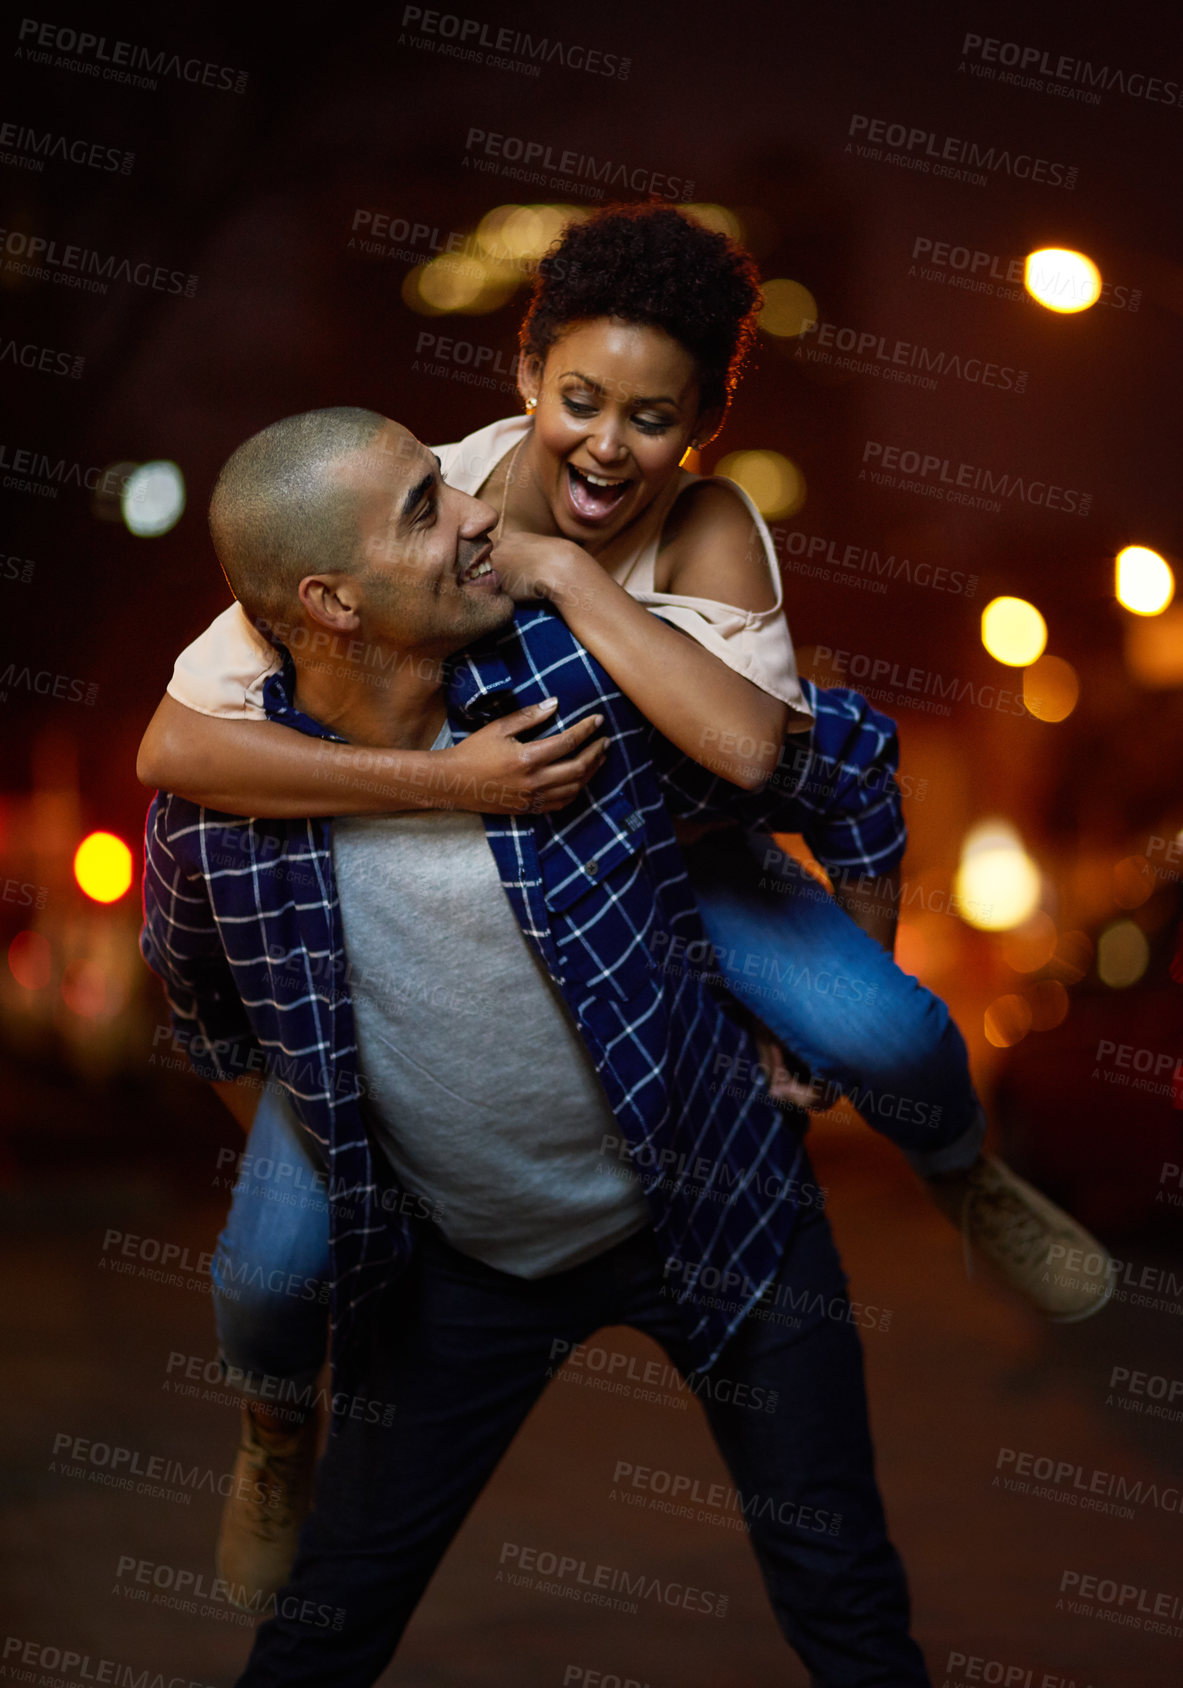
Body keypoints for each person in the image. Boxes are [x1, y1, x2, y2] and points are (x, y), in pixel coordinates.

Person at [136, 206, 1110, 1598]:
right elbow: (172, 747)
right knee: (270, 1270)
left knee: (893, 1036)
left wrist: (559, 574)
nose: (603, 447)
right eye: (576, 401)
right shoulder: (429, 492)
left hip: (690, 852)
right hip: (512, 808)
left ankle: (966, 1178)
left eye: (649, 419)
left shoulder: (711, 534)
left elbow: (760, 762)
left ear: (699, 426)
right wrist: (446, 785)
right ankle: (275, 1425)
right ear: (525, 379)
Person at [142, 405, 935, 1683]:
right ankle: (272, 1417)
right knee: (318, 1637)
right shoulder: (220, 826)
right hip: (463, 1265)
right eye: (424, 507)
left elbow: (839, 766)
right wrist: (343, 1171)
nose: (478, 511)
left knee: (849, 1608)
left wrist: (848, 987)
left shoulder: (579, 693)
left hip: (721, 1208)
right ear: (330, 602)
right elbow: (208, 1020)